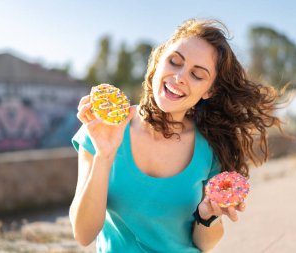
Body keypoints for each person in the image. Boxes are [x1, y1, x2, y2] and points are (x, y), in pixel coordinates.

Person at [69, 18, 285, 252]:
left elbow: (205, 243)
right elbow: (84, 234)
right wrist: (104, 155)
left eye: (197, 75)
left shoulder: (208, 148)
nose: (180, 77)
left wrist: (207, 215)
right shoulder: (101, 129)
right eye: (174, 61)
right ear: (158, 60)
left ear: (209, 91)